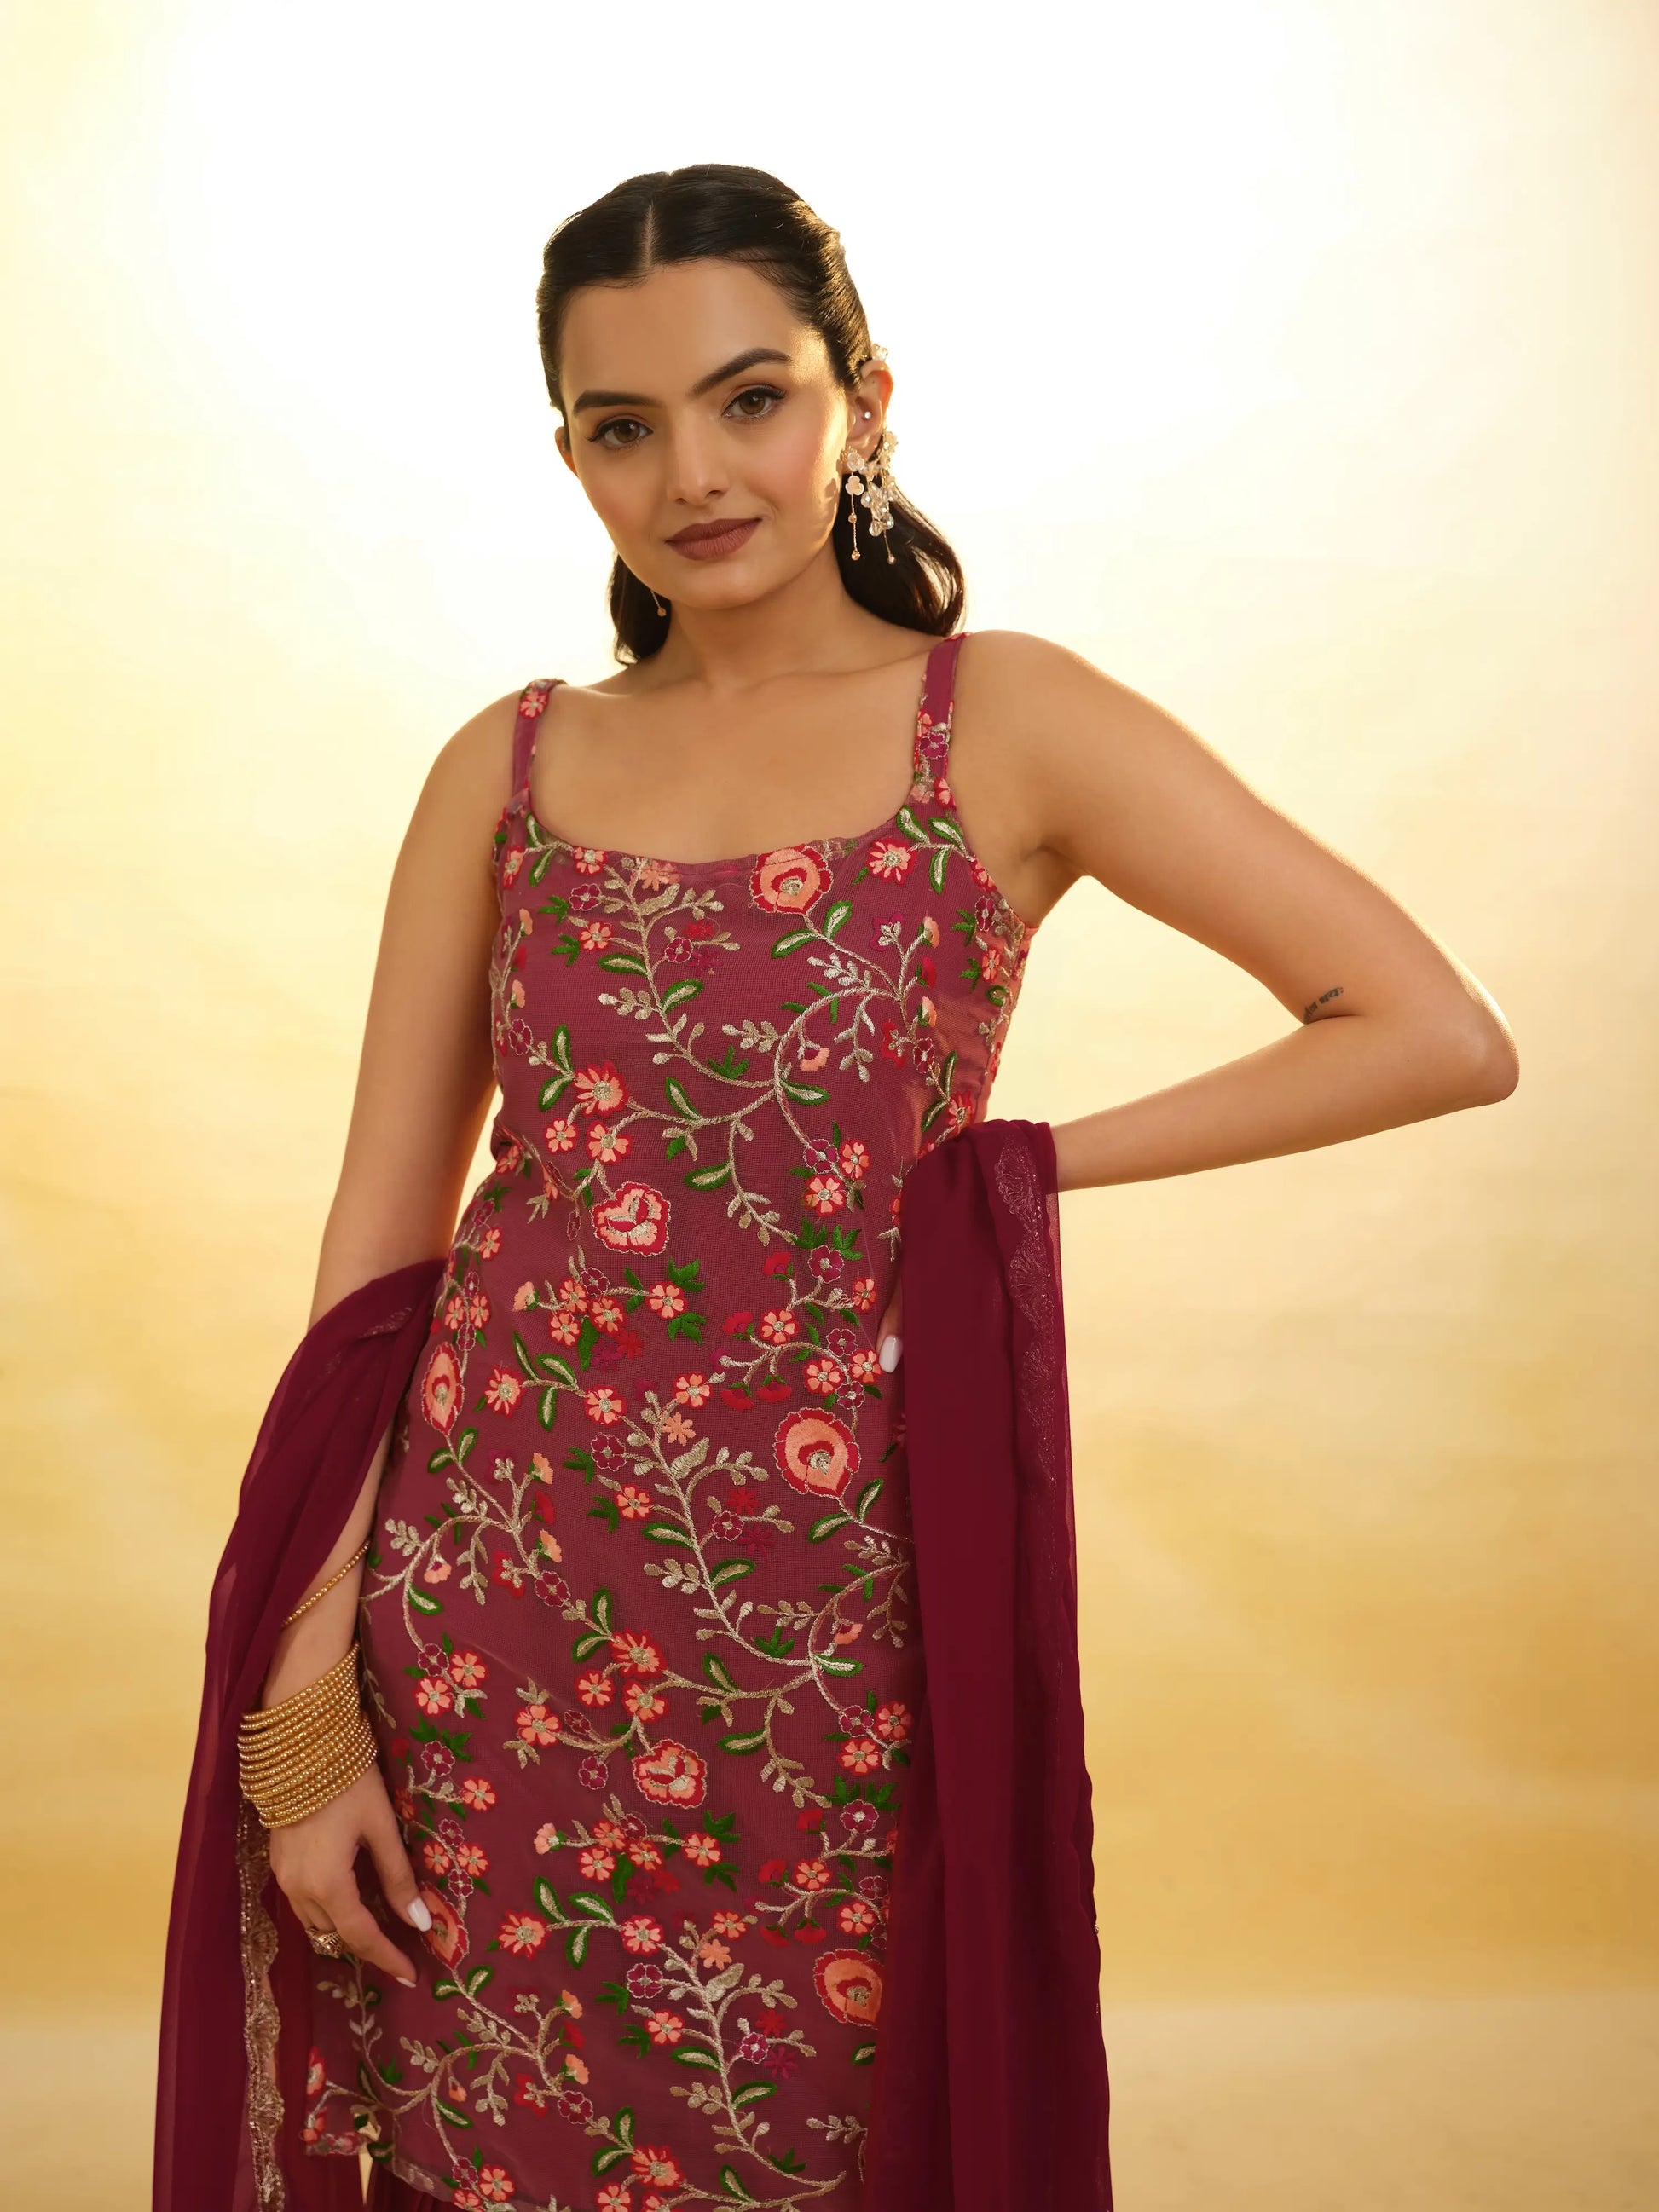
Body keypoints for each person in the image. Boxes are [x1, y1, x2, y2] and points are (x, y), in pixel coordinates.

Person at [165, 163, 1518, 2212]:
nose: (693, 476)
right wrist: (308, 1699)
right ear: (568, 458)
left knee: (818, 2136)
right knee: (482, 2145)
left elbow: (1428, 1026)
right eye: (623, 427)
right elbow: (378, 1265)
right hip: (486, 1610)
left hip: (831, 1628)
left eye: (750, 399)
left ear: (861, 399)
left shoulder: (1005, 721)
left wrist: (1016, 1172)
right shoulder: (504, 769)